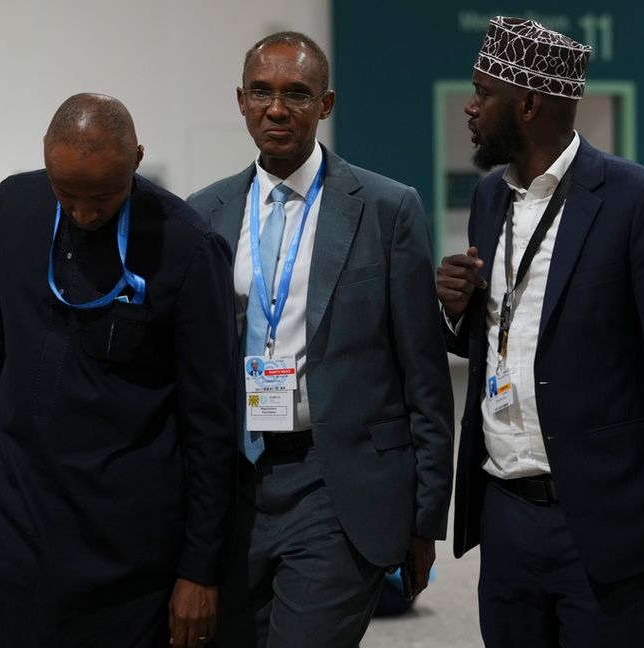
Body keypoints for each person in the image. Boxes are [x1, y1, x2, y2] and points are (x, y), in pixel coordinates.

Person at [437, 17, 644, 647]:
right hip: (504, 512)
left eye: (482, 92)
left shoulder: (642, 203)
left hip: (604, 518)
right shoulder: (490, 198)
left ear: (527, 103)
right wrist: (456, 308)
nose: (470, 109)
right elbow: (509, 331)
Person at [0, 94, 238, 647]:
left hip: (121, 538)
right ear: (45, 160)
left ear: (136, 160)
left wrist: (199, 569)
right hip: (10, 513)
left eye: (103, 199)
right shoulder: (14, 206)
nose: (84, 214)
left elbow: (210, 426)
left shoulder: (189, 247)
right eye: (66, 194)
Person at [187, 31, 454, 647]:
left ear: (326, 104)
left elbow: (425, 377)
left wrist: (424, 519)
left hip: (336, 483)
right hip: (234, 486)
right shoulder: (203, 215)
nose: (276, 109)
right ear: (240, 100)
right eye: (261, 92)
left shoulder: (387, 209)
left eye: (296, 94)